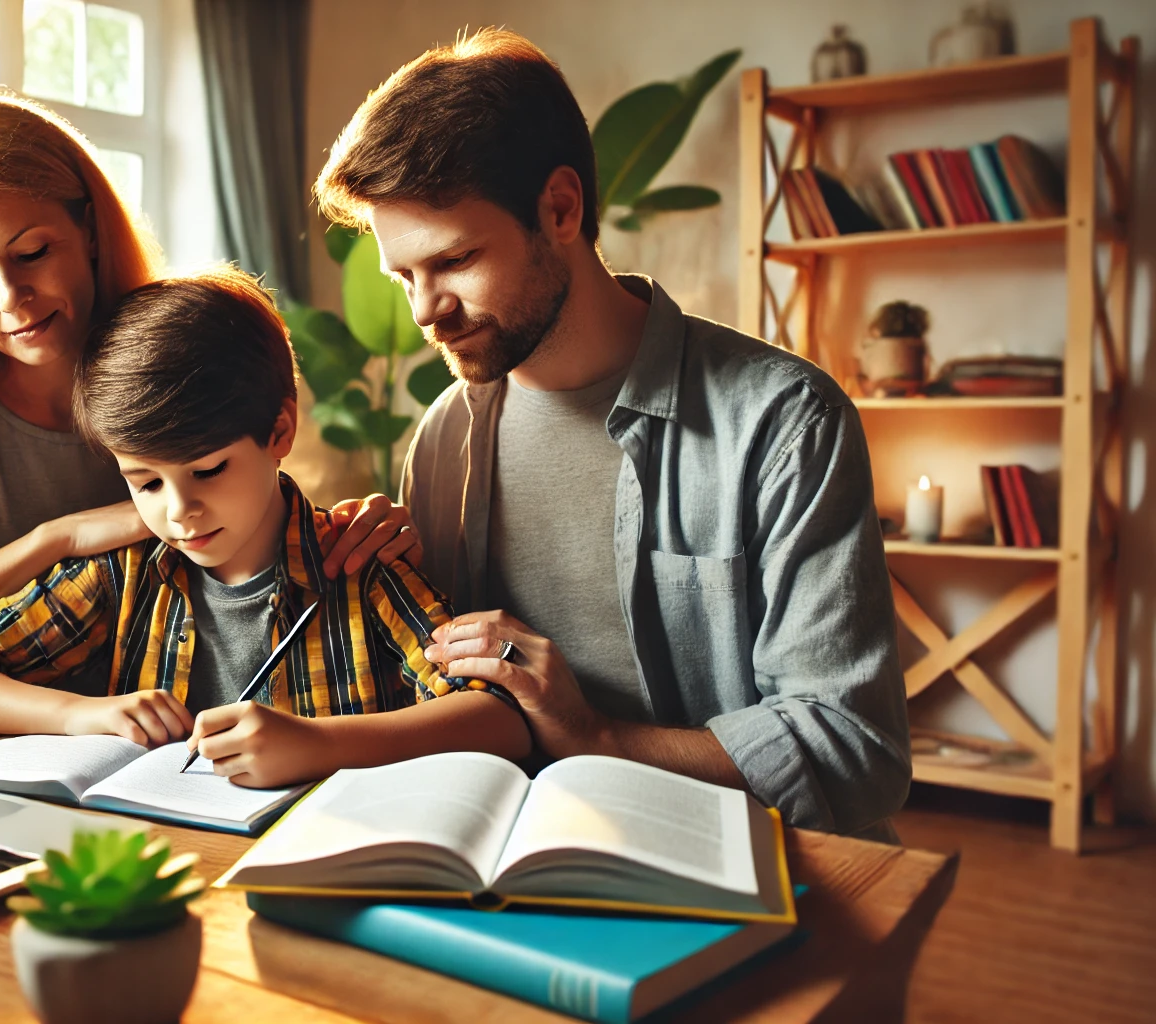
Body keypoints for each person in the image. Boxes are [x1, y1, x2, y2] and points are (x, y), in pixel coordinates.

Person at [313, 29, 909, 837]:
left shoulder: (782, 422)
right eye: (403, 275)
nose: (424, 310)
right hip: (511, 861)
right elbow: (442, 695)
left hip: (747, 868)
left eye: (453, 261)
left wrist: (595, 740)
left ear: (560, 209)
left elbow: (852, 750)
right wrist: (351, 578)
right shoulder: (444, 439)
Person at [0, 96, 420, 693]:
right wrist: (54, 541)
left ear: (90, 228)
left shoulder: (162, 361)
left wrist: (362, 530)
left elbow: (260, 524)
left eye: (33, 252)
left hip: (144, 746)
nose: (12, 299)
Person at [0, 269, 531, 788]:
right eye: (145, 483)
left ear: (279, 432)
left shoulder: (359, 562)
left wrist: (318, 746)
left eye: (209, 470)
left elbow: (501, 718)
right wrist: (79, 715)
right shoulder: (127, 570)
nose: (178, 511)